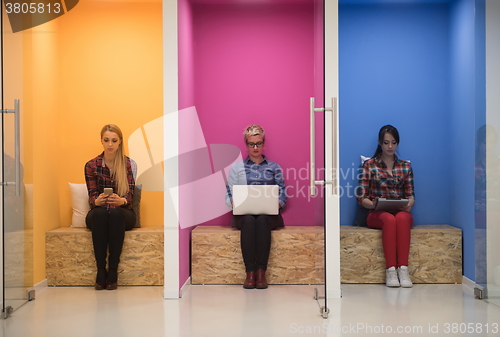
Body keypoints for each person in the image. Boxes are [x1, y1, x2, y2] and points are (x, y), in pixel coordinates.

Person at [225, 124, 287, 289]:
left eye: (258, 143)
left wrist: (278, 203)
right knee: (249, 220)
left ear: (263, 143)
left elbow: (282, 191)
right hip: (244, 215)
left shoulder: (274, 167)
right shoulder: (237, 168)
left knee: (261, 220)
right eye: (251, 144)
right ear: (246, 145)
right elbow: (229, 191)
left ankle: (261, 272)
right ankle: (250, 273)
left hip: (269, 215)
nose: (255, 147)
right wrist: (232, 202)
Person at [356, 125, 415, 288]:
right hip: (377, 213)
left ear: (397, 143)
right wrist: (373, 204)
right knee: (389, 219)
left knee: (402, 218)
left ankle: (403, 270)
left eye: (393, 143)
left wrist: (408, 205)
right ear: (380, 143)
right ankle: (390, 271)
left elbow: (411, 195)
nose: (390, 147)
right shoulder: (369, 165)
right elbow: (361, 196)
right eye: (386, 142)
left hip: (400, 211)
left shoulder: (405, 166)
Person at [85, 124, 137, 290]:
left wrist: (121, 201)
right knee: (100, 215)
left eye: (114, 141)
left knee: (115, 215)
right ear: (101, 140)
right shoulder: (91, 165)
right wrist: (97, 201)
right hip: (99, 212)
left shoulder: (128, 164)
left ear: (120, 142)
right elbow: (92, 193)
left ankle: (113, 270)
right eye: (106, 140)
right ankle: (101, 270)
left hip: (122, 212)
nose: (110, 144)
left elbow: (130, 195)